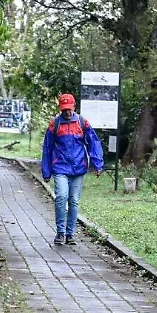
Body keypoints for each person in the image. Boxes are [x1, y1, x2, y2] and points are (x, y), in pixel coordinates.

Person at [41, 93, 104, 245]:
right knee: (61, 197)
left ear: (74, 107)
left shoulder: (83, 123)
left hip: (79, 167)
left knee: (74, 200)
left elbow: (93, 143)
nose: (67, 113)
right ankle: (60, 232)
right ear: (60, 109)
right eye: (64, 110)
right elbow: (47, 148)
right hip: (60, 167)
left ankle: (70, 234)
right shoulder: (54, 124)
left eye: (69, 109)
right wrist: (46, 170)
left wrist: (97, 163)